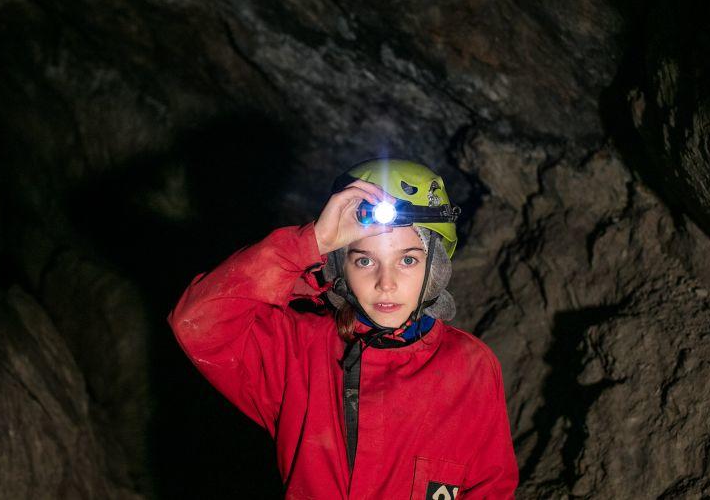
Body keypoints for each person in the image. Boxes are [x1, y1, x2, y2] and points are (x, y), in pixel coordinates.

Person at [168, 158, 519, 498]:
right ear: (339, 268)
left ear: (436, 268)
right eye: (365, 260)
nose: (386, 283)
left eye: (408, 260)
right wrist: (313, 242)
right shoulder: (297, 349)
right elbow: (199, 321)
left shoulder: (470, 366)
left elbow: (492, 486)